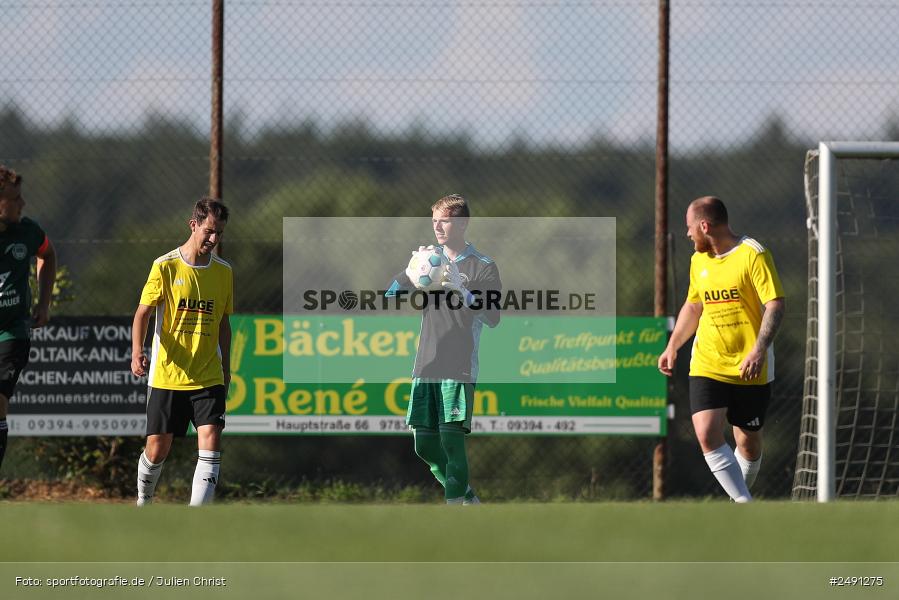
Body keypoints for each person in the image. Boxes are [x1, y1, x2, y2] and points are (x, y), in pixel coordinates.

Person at [658, 196, 785, 502]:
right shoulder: (698, 260)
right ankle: (744, 504)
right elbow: (693, 305)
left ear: (704, 225)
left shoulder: (753, 254)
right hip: (708, 362)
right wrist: (673, 344)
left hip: (750, 365)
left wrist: (758, 349)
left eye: (690, 228)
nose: (688, 234)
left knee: (749, 444)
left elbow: (775, 304)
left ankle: (737, 499)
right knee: (705, 432)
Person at [387, 194, 501, 505]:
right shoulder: (427, 262)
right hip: (426, 365)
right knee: (423, 446)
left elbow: (493, 317)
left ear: (462, 223)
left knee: (451, 442)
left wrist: (463, 291)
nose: (438, 226)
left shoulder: (483, 266)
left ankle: (455, 514)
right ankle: (468, 498)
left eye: (445, 220)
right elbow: (389, 295)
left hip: (458, 366)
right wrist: (411, 274)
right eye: (434, 220)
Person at [130, 197, 232, 506]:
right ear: (194, 225)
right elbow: (143, 313)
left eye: (219, 234)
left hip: (208, 374)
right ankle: (143, 500)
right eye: (209, 231)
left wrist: (226, 367)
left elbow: (224, 323)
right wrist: (137, 351)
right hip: (169, 375)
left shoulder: (224, 272)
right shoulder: (165, 265)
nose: (213, 239)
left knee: (211, 438)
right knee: (157, 449)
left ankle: (196, 521)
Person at [0, 165, 57, 472]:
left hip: (12, 331)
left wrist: (44, 303)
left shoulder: (28, 231)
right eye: (15, 199)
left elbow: (47, 255)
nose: (22, 204)